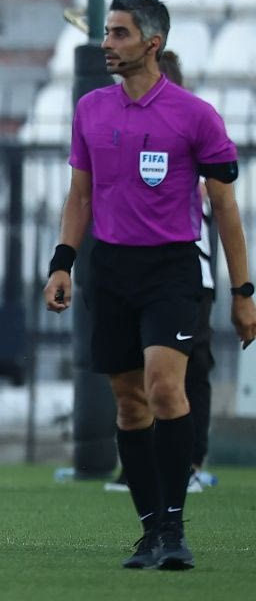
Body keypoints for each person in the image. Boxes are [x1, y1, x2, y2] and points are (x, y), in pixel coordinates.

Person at [44, 0, 256, 571]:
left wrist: (243, 292)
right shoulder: (91, 109)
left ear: (152, 43)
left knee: (165, 390)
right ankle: (150, 529)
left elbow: (226, 209)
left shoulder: (196, 115)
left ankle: (174, 528)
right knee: (130, 404)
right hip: (111, 270)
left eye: (119, 34)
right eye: (107, 33)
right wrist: (62, 262)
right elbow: (80, 196)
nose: (106, 44)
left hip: (172, 270)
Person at [102, 50, 219, 496]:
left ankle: (189, 464)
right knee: (134, 374)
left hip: (187, 275)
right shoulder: (122, 128)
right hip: (131, 272)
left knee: (186, 374)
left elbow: (214, 196)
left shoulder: (191, 128)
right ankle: (138, 466)